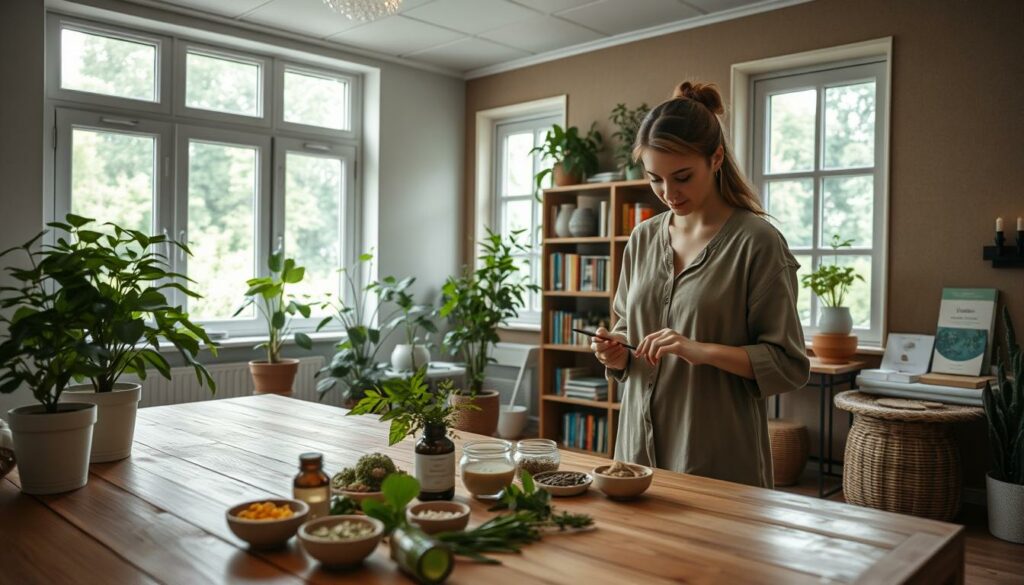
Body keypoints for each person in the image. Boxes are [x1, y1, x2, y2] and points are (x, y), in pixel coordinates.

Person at [591, 81, 810, 488]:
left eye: (682, 177)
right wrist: (615, 354)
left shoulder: (757, 243)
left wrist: (700, 349)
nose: (668, 194)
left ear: (717, 159)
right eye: (655, 179)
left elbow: (788, 364)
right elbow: (626, 330)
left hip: (716, 458)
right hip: (635, 456)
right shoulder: (642, 239)